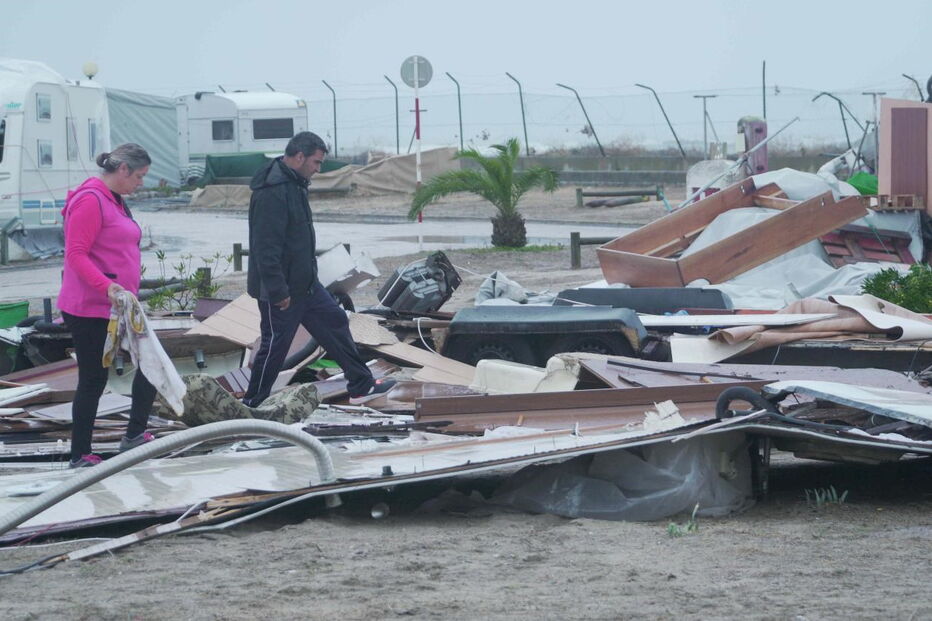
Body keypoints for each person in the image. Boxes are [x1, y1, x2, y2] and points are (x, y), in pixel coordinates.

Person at [243, 131, 395, 407]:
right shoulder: (272, 191)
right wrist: (278, 291)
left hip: (306, 284)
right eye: (316, 162)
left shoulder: (295, 183)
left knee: (335, 322)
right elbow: (265, 248)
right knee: (275, 346)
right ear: (299, 157)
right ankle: (252, 403)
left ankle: (361, 386)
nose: (318, 169)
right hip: (281, 289)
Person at [58, 144, 157, 467]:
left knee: (152, 364)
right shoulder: (90, 199)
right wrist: (107, 285)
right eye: (139, 176)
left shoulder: (116, 199)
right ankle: (80, 454)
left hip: (120, 305)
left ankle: (134, 435)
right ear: (123, 170)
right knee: (93, 379)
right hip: (90, 307)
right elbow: (76, 254)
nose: (141, 183)